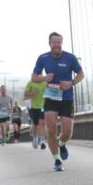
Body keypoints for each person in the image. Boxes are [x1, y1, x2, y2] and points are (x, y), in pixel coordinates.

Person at [32, 32, 84, 172]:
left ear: (62, 43)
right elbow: (34, 77)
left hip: (66, 98)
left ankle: (61, 143)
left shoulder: (70, 58)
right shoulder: (43, 58)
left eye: (59, 42)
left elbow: (81, 74)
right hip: (51, 98)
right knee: (51, 129)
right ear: (49, 43)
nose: (57, 45)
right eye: (54, 42)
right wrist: (44, 78)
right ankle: (57, 159)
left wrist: (71, 82)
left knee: (67, 132)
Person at [23, 77, 47, 150]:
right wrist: (31, 94)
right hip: (32, 107)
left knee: (42, 123)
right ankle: (35, 138)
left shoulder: (45, 83)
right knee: (35, 124)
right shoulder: (30, 83)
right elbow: (25, 96)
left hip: (42, 106)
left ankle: (42, 141)